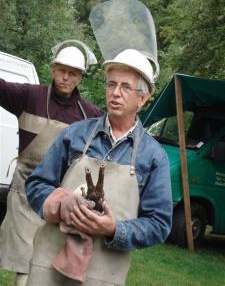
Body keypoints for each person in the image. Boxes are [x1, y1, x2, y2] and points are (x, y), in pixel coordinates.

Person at [25, 49, 172, 286]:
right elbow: (35, 185)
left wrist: (114, 229)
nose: (115, 93)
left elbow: (159, 224)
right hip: (49, 264)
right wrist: (61, 204)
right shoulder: (75, 134)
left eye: (125, 87)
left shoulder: (153, 157)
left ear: (142, 99)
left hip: (103, 276)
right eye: (111, 84)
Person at [0, 40, 103, 286]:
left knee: (48, 264)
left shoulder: (90, 115)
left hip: (61, 199)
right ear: (52, 69)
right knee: (24, 266)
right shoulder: (28, 97)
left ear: (80, 77)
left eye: (73, 73)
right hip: (24, 194)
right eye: (62, 70)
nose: (66, 77)